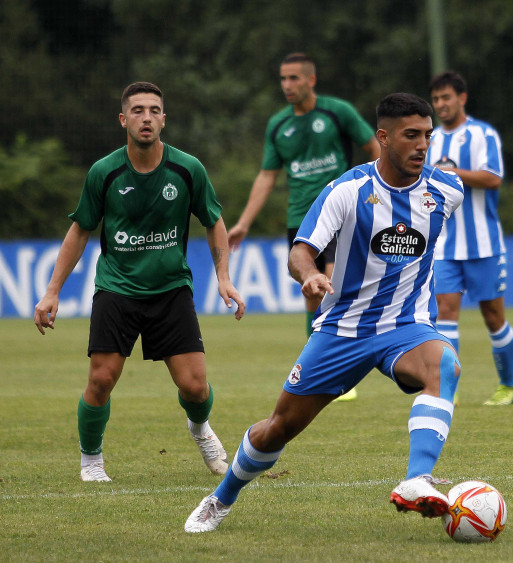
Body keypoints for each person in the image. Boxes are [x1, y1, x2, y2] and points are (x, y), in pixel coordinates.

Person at [184, 93, 465, 533]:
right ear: (383, 137)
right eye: (411, 135)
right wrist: (310, 276)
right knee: (278, 428)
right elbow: (300, 252)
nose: (422, 145)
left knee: (445, 364)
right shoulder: (347, 190)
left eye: (427, 136)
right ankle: (221, 499)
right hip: (343, 329)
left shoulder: (446, 190)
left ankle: (416, 479)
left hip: (407, 326)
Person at [33, 82, 246, 482]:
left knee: (196, 388)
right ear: (123, 119)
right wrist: (52, 291)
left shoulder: (188, 168)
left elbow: (213, 220)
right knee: (100, 379)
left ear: (163, 119)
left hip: (171, 290)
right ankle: (91, 460)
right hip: (117, 288)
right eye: (137, 111)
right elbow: (80, 230)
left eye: (153, 110)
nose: (146, 118)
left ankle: (200, 429)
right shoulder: (104, 171)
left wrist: (224, 278)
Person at [227, 52, 380, 340]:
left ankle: (338, 370)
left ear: (311, 80)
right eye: (283, 78)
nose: (287, 84)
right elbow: (267, 176)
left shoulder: (337, 111)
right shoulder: (278, 125)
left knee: (333, 286)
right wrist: (244, 223)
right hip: (301, 218)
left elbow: (374, 148)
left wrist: (377, 192)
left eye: (293, 78)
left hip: (339, 212)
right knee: (312, 293)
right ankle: (316, 363)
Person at [426, 71, 513, 406]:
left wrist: (450, 174)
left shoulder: (482, 134)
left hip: (484, 244)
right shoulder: (431, 139)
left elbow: (493, 178)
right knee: (445, 311)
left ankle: (507, 385)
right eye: (435, 99)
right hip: (445, 245)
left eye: (446, 98)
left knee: (493, 318)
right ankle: (450, 386)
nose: (440, 105)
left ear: (462, 98)